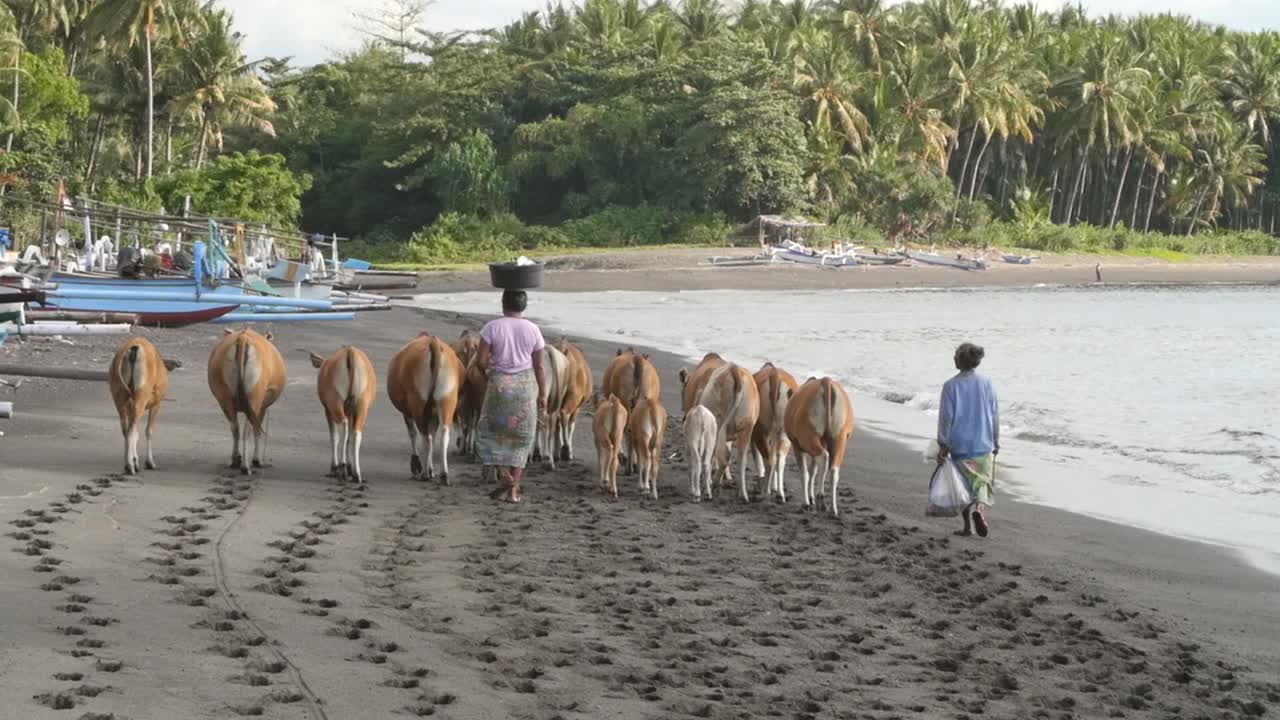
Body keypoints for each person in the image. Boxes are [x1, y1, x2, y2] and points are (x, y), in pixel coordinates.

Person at [475, 290, 547, 503]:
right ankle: (514, 490)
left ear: (502, 304)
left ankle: (502, 473)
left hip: (499, 385)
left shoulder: (491, 327)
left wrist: (488, 373)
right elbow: (540, 366)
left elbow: (480, 361)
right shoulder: (533, 329)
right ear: (524, 306)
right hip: (525, 388)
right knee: (523, 439)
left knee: (488, 432)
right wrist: (543, 393)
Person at [936, 342, 999, 537]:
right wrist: (996, 439)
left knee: (962, 486)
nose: (953, 358)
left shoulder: (950, 386)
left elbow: (946, 417)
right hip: (982, 441)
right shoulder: (987, 383)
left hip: (960, 444)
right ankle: (979, 509)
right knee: (981, 482)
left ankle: (966, 527)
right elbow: (994, 413)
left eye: (955, 355)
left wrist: (943, 443)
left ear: (962, 360)